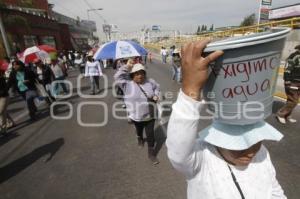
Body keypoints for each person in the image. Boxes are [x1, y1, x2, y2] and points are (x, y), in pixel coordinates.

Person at [166, 40, 286, 198]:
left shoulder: (261, 153)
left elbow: (275, 191)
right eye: (240, 147)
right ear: (220, 141)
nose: (250, 153)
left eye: (255, 142)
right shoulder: (202, 159)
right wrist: (190, 89)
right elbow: (178, 153)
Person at [114, 62, 160, 165]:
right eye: (137, 73)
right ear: (132, 75)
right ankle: (139, 138)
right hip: (136, 116)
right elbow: (117, 76)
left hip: (150, 114)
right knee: (139, 130)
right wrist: (127, 66)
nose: (140, 75)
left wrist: (156, 95)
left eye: (142, 73)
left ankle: (151, 154)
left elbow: (157, 87)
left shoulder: (150, 82)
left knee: (150, 135)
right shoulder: (127, 85)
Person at [276, 44, 300, 124]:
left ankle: (288, 116)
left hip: (298, 82)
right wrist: (287, 81)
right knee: (294, 101)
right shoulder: (294, 56)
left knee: (290, 100)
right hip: (292, 82)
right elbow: (287, 70)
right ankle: (281, 114)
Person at [0, 69, 9, 135]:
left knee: (1, 111)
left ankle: (3, 129)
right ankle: (3, 129)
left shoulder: (2, 79)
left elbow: (4, 90)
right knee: (3, 114)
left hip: (4, 97)